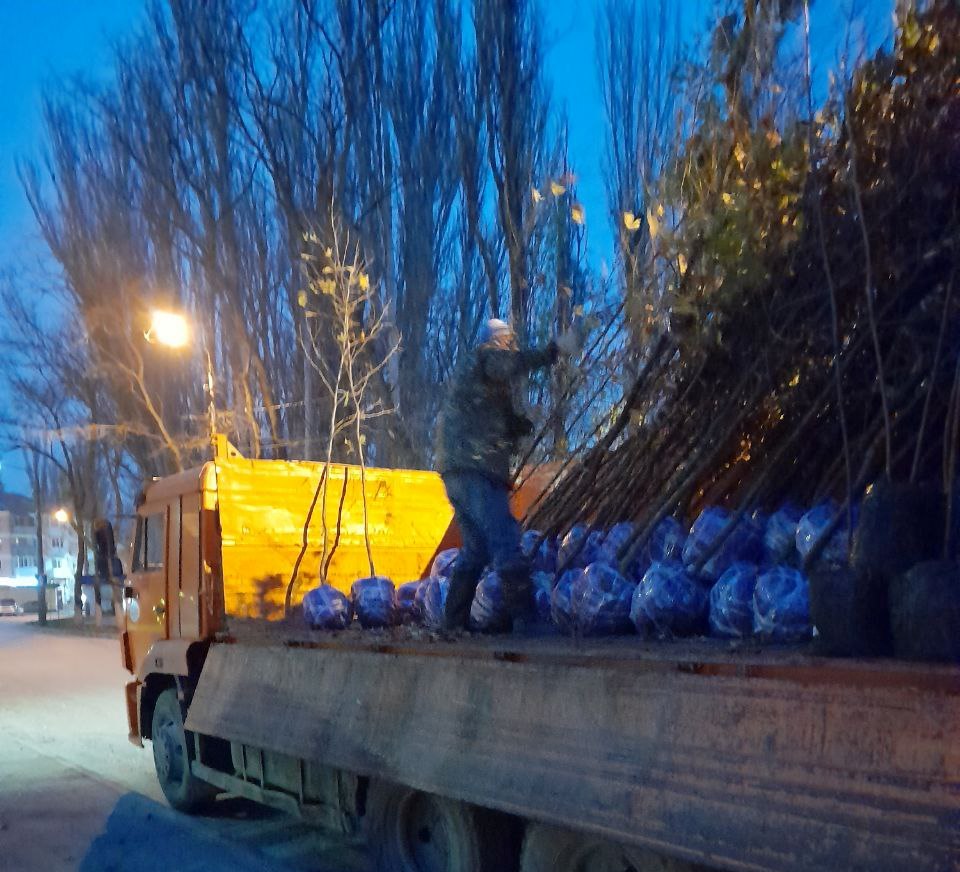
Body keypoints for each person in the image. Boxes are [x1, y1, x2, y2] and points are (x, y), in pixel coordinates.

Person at [436, 317, 582, 631]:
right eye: (508, 342)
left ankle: (453, 623)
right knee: (505, 538)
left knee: (476, 549)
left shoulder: (477, 377)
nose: (512, 347)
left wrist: (516, 425)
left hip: (456, 470)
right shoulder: (486, 357)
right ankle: (525, 621)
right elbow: (508, 365)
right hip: (477, 467)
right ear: (497, 341)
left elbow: (490, 415)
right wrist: (553, 351)